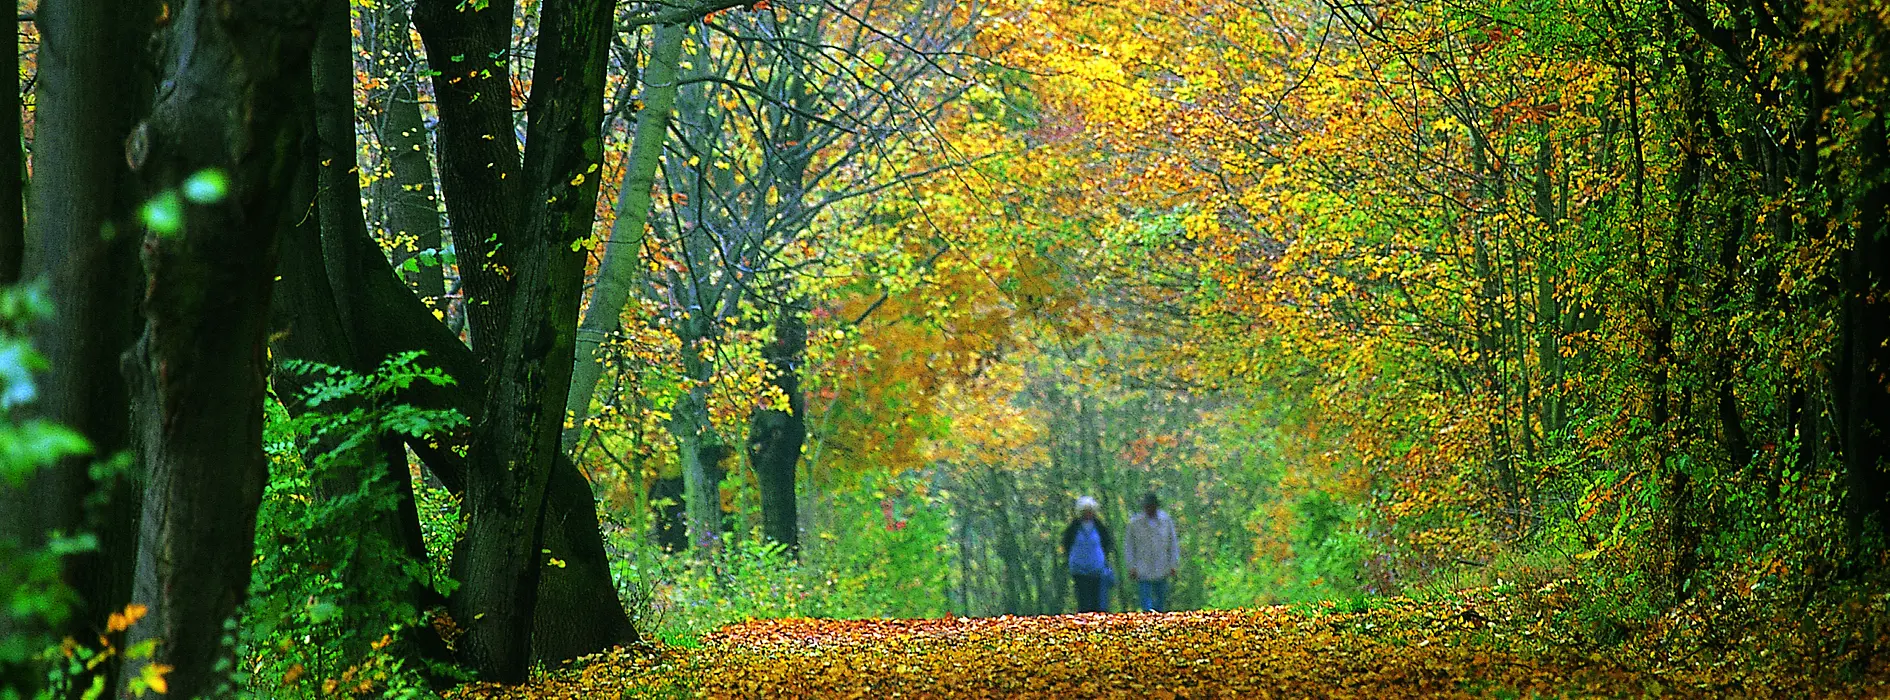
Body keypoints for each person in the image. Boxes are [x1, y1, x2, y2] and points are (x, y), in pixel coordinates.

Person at [1124, 492, 1180, 612]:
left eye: (1152, 506)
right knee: (1146, 603)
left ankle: (1159, 626)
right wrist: (1131, 566)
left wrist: (1173, 564)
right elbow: (1129, 546)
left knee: (1160, 601)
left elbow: (1173, 544)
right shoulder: (1135, 523)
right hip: (1142, 568)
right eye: (1147, 506)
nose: (1149, 509)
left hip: (1162, 567)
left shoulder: (1166, 521)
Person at [1061, 496, 1115, 613]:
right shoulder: (1074, 527)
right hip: (1079, 569)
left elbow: (1107, 543)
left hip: (1097, 569)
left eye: (1090, 511)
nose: (1088, 514)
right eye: (1085, 511)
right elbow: (1066, 544)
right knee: (1083, 600)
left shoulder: (1099, 527)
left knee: (1098, 600)